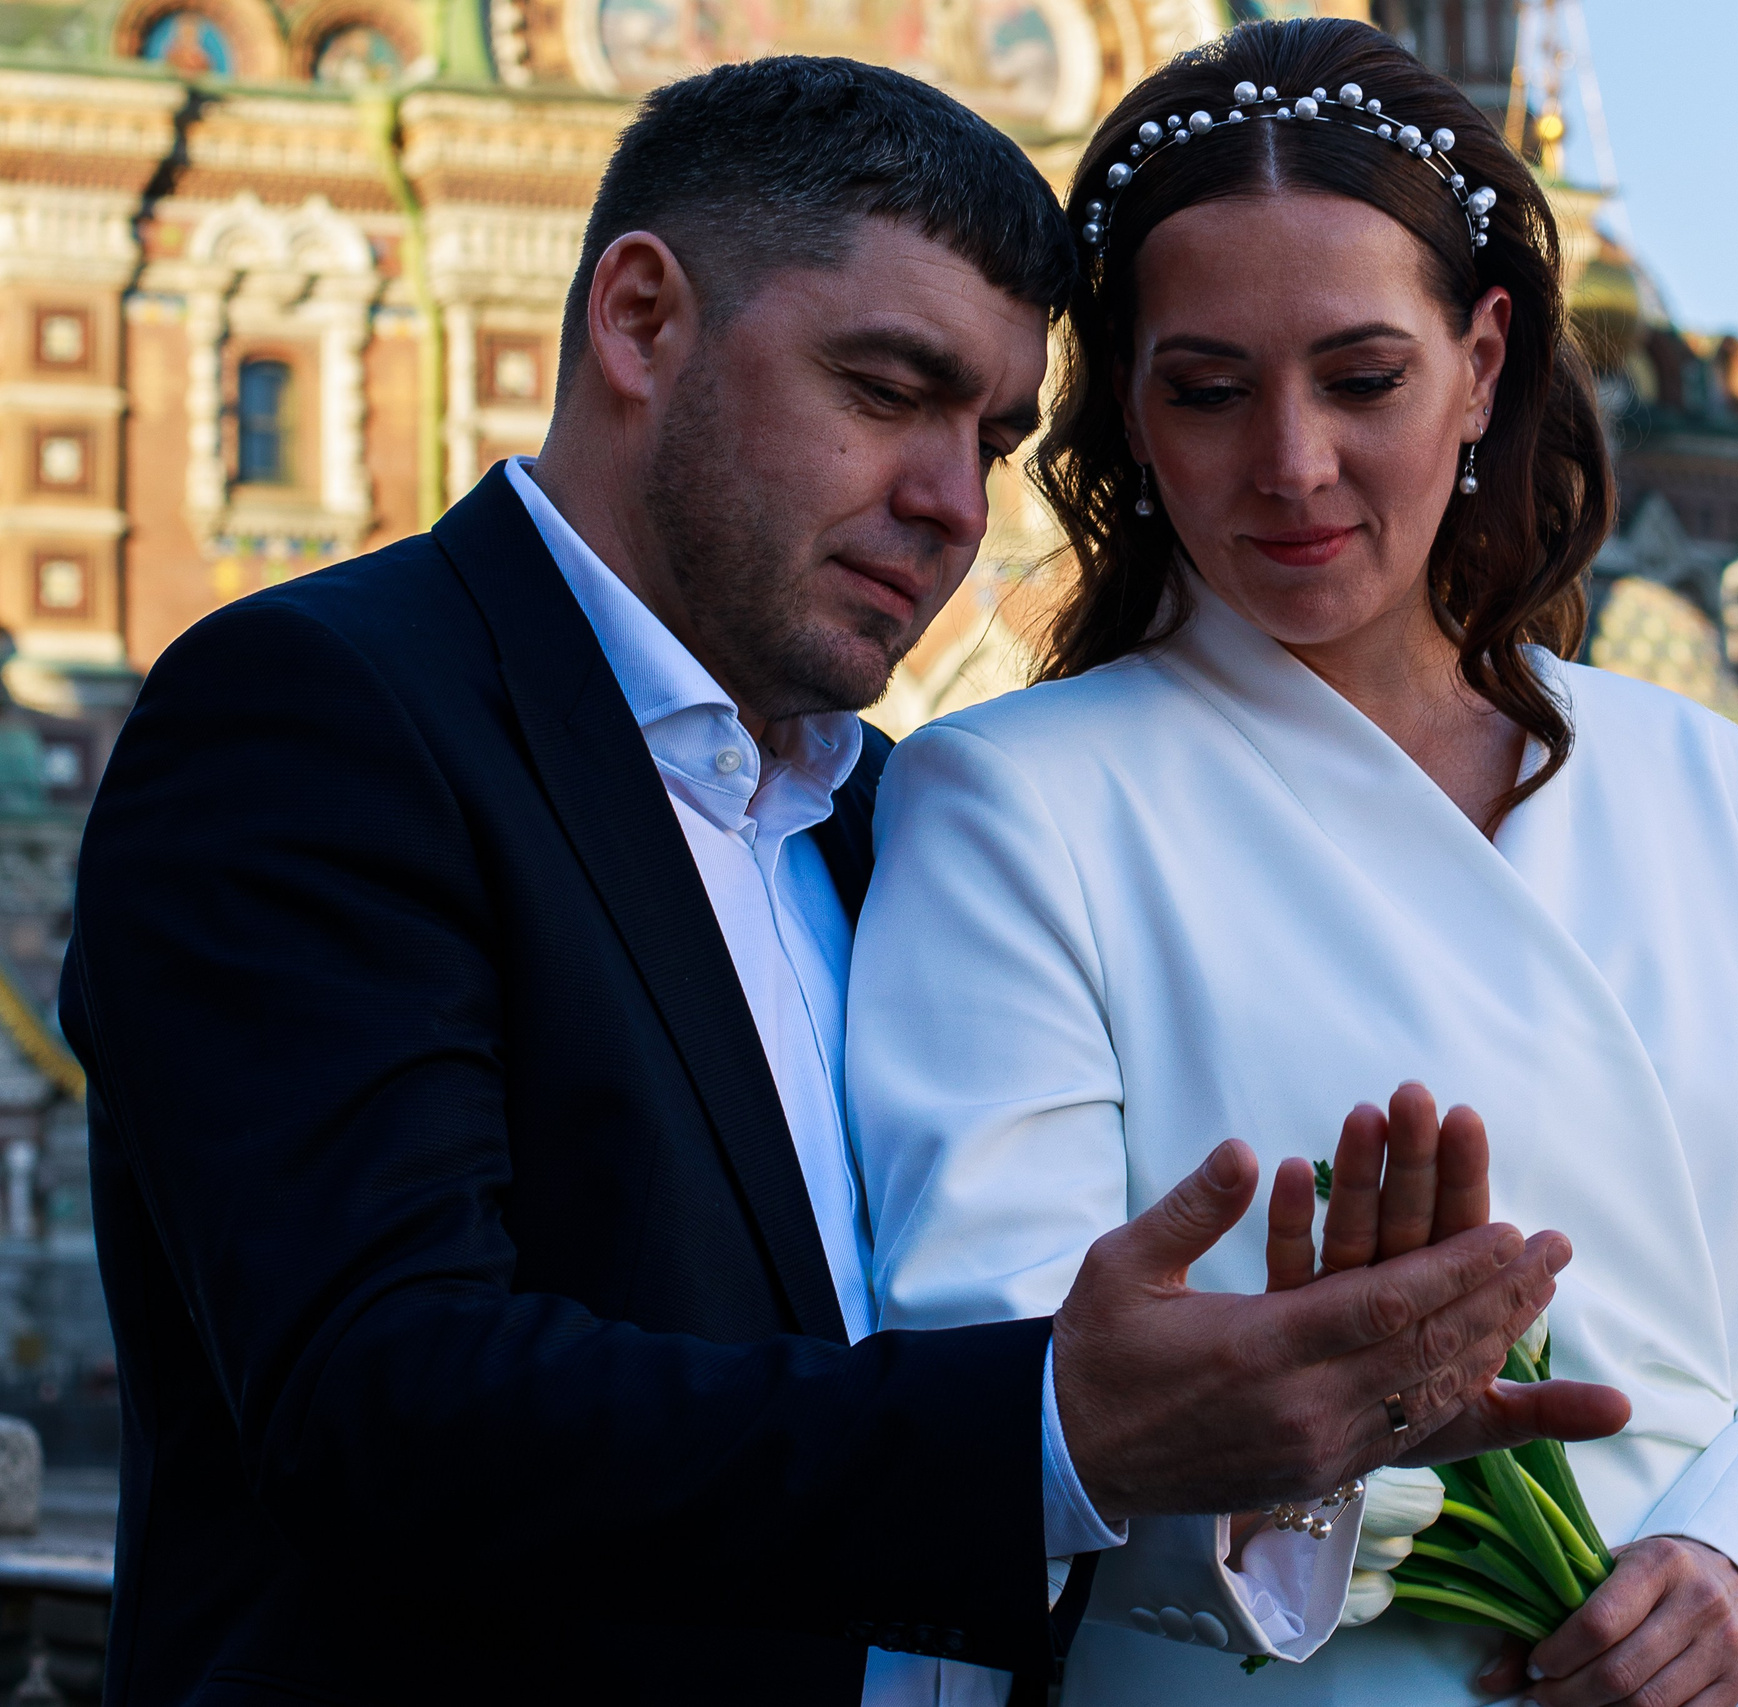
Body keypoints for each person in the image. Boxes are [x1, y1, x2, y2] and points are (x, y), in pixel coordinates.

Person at [63, 57, 1621, 1706]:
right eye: (888, 390)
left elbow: (942, 1374)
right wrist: (1050, 1429)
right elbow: (379, 1397)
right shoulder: (324, 712)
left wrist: (1293, 1419)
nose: (956, 504)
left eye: (997, 433)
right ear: (642, 323)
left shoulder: (893, 815)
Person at [849, 20, 1738, 1707]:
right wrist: (1310, 1449)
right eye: (1209, 389)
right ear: (1130, 412)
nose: (1292, 463)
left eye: (1363, 375)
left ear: (1480, 366)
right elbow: (997, 1382)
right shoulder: (1014, 801)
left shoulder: (1699, 781)